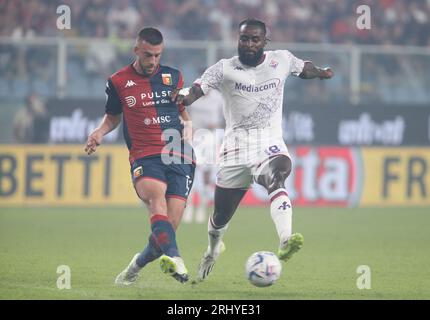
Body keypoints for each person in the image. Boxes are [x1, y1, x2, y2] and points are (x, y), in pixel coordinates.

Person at [174, 18, 334, 282]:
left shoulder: (280, 60)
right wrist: (184, 97)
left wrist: (322, 72)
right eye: (244, 39)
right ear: (238, 39)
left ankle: (285, 239)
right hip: (235, 149)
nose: (248, 44)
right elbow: (197, 89)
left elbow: (304, 68)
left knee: (277, 174)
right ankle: (213, 251)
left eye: (254, 39)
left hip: (268, 142)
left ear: (265, 42)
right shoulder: (224, 68)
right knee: (220, 218)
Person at [85, 27, 195, 285]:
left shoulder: (174, 77)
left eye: (157, 55)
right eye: (148, 55)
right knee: (156, 202)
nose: (153, 61)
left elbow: (182, 111)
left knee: (167, 229)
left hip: (178, 154)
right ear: (136, 51)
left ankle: (135, 267)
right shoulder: (118, 81)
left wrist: (189, 128)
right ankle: (176, 258)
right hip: (145, 154)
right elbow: (112, 116)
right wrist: (99, 133)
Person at [183, 89, 224, 224]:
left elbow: (226, 117)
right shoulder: (191, 96)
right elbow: (182, 112)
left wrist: (217, 125)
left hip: (210, 137)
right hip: (194, 137)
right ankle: (188, 208)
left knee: (206, 174)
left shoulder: (218, 98)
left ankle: (202, 208)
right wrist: (188, 127)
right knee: (191, 172)